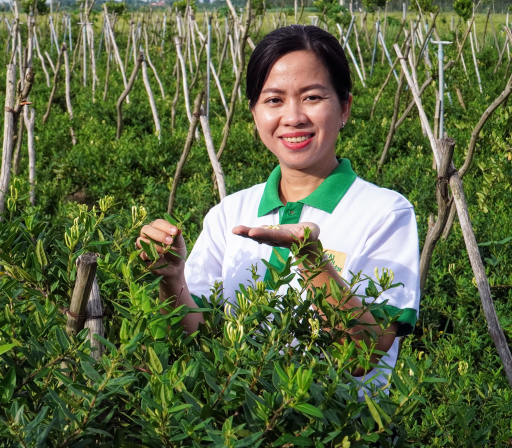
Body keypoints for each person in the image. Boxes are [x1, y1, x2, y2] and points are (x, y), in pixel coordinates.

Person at [137, 25, 420, 390]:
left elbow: (363, 357)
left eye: (312, 97)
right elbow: (195, 340)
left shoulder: (385, 213)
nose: (293, 117)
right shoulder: (230, 212)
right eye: (273, 100)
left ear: (345, 107)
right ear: (255, 113)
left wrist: (311, 259)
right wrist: (171, 278)